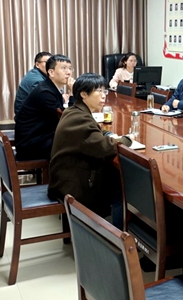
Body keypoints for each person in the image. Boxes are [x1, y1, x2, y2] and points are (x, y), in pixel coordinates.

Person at [48, 73, 131, 227]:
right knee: (121, 185)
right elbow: (104, 147)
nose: (104, 95)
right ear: (83, 94)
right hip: (72, 185)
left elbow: (94, 133)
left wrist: (107, 135)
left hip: (66, 175)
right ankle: (117, 235)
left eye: (105, 91)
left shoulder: (75, 111)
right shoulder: (80, 118)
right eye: (99, 91)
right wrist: (127, 139)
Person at [14, 54, 75, 161]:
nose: (68, 72)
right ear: (51, 72)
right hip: (31, 146)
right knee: (79, 144)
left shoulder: (49, 87)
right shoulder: (45, 92)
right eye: (63, 68)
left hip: (38, 137)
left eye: (70, 68)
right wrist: (73, 94)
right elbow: (67, 119)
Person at [14, 51, 51, 116]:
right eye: (47, 62)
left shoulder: (39, 74)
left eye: (51, 63)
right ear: (37, 65)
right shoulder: (36, 79)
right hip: (27, 118)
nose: (50, 65)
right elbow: (47, 101)